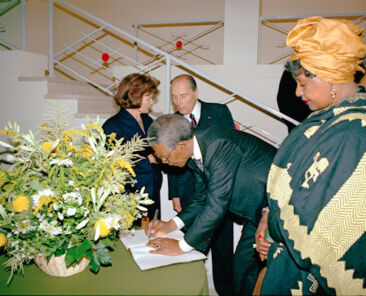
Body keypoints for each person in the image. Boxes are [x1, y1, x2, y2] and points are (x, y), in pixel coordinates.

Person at [258, 16, 366, 295]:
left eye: (303, 84)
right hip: (287, 256)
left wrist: (279, 230)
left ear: (328, 76)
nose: (297, 92)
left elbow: (322, 225)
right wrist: (269, 217)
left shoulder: (351, 132)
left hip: (315, 274)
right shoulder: (329, 117)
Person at [145, 114, 277, 296]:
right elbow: (202, 197)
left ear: (181, 145)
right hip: (258, 210)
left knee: (258, 269)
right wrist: (172, 225)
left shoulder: (218, 145)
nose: (164, 163)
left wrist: (181, 246)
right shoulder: (194, 151)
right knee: (242, 266)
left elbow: (216, 204)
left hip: (279, 208)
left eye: (164, 157)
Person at [167, 74, 236, 295]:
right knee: (191, 244)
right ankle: (190, 289)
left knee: (223, 248)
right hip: (190, 192)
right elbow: (170, 161)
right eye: (174, 97)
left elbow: (231, 147)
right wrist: (175, 195)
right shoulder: (172, 122)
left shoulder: (219, 112)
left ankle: (225, 290)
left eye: (183, 95)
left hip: (220, 190)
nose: (179, 101)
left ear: (195, 93)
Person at [102, 73, 162, 222]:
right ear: (135, 96)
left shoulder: (148, 120)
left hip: (152, 193)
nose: (152, 102)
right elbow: (112, 165)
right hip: (129, 198)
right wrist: (148, 159)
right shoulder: (112, 126)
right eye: (148, 98)